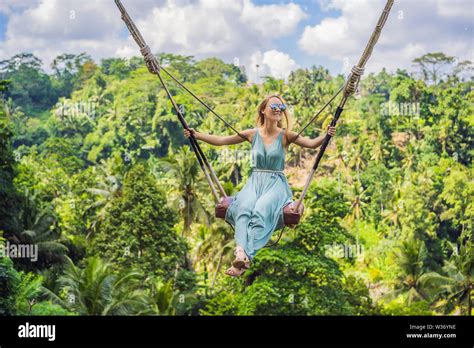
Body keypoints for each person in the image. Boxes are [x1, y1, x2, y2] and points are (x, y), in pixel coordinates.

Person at [184, 95, 336, 277]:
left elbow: (311, 144)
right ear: (263, 110)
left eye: (281, 106)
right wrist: (196, 135)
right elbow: (221, 140)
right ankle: (241, 253)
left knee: (262, 209)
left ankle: (245, 256)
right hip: (255, 182)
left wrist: (326, 135)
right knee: (243, 208)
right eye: (274, 106)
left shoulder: (286, 135)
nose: (278, 109)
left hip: (275, 184)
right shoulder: (252, 134)